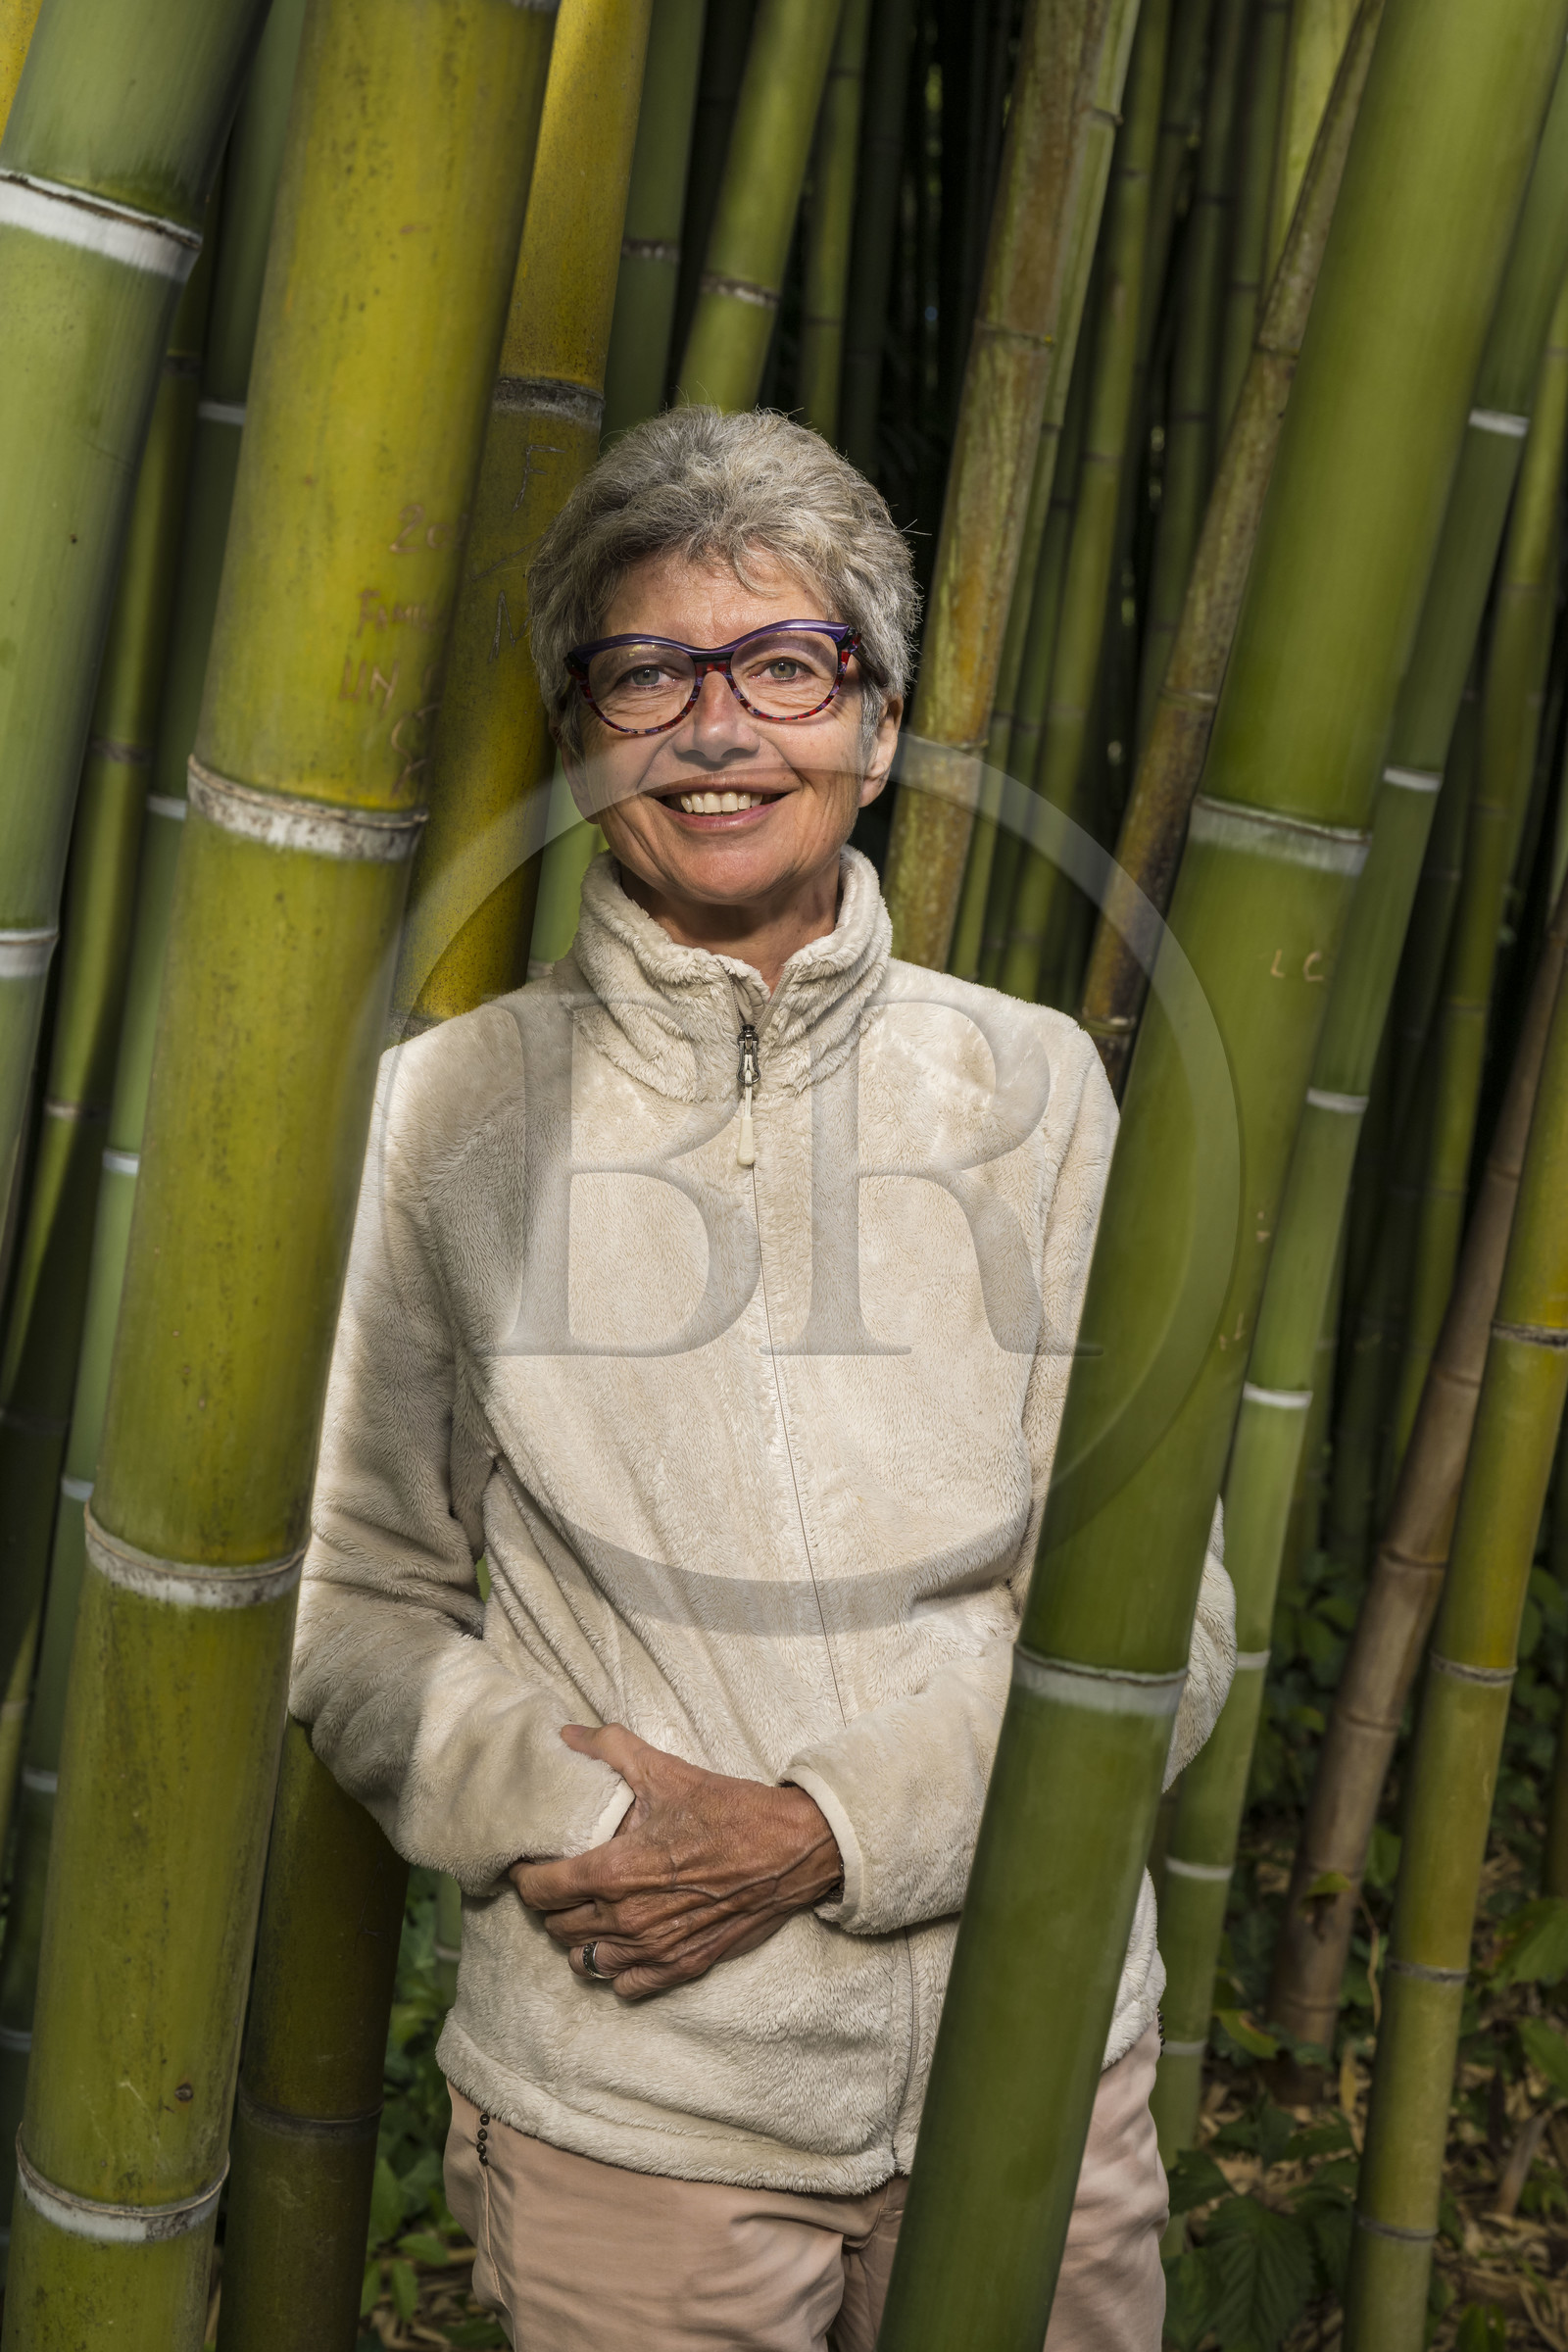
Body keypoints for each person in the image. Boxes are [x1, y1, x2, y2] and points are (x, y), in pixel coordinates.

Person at [290, 405, 1235, 2352]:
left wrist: (823, 1827)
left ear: (874, 730)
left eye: (784, 666)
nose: (717, 730)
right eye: (647, 672)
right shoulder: (442, 1117)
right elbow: (345, 1604)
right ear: (579, 741)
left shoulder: (1032, 1085)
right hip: (635, 2107)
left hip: (1035, 2058)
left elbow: (1167, 1614)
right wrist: (578, 1813)